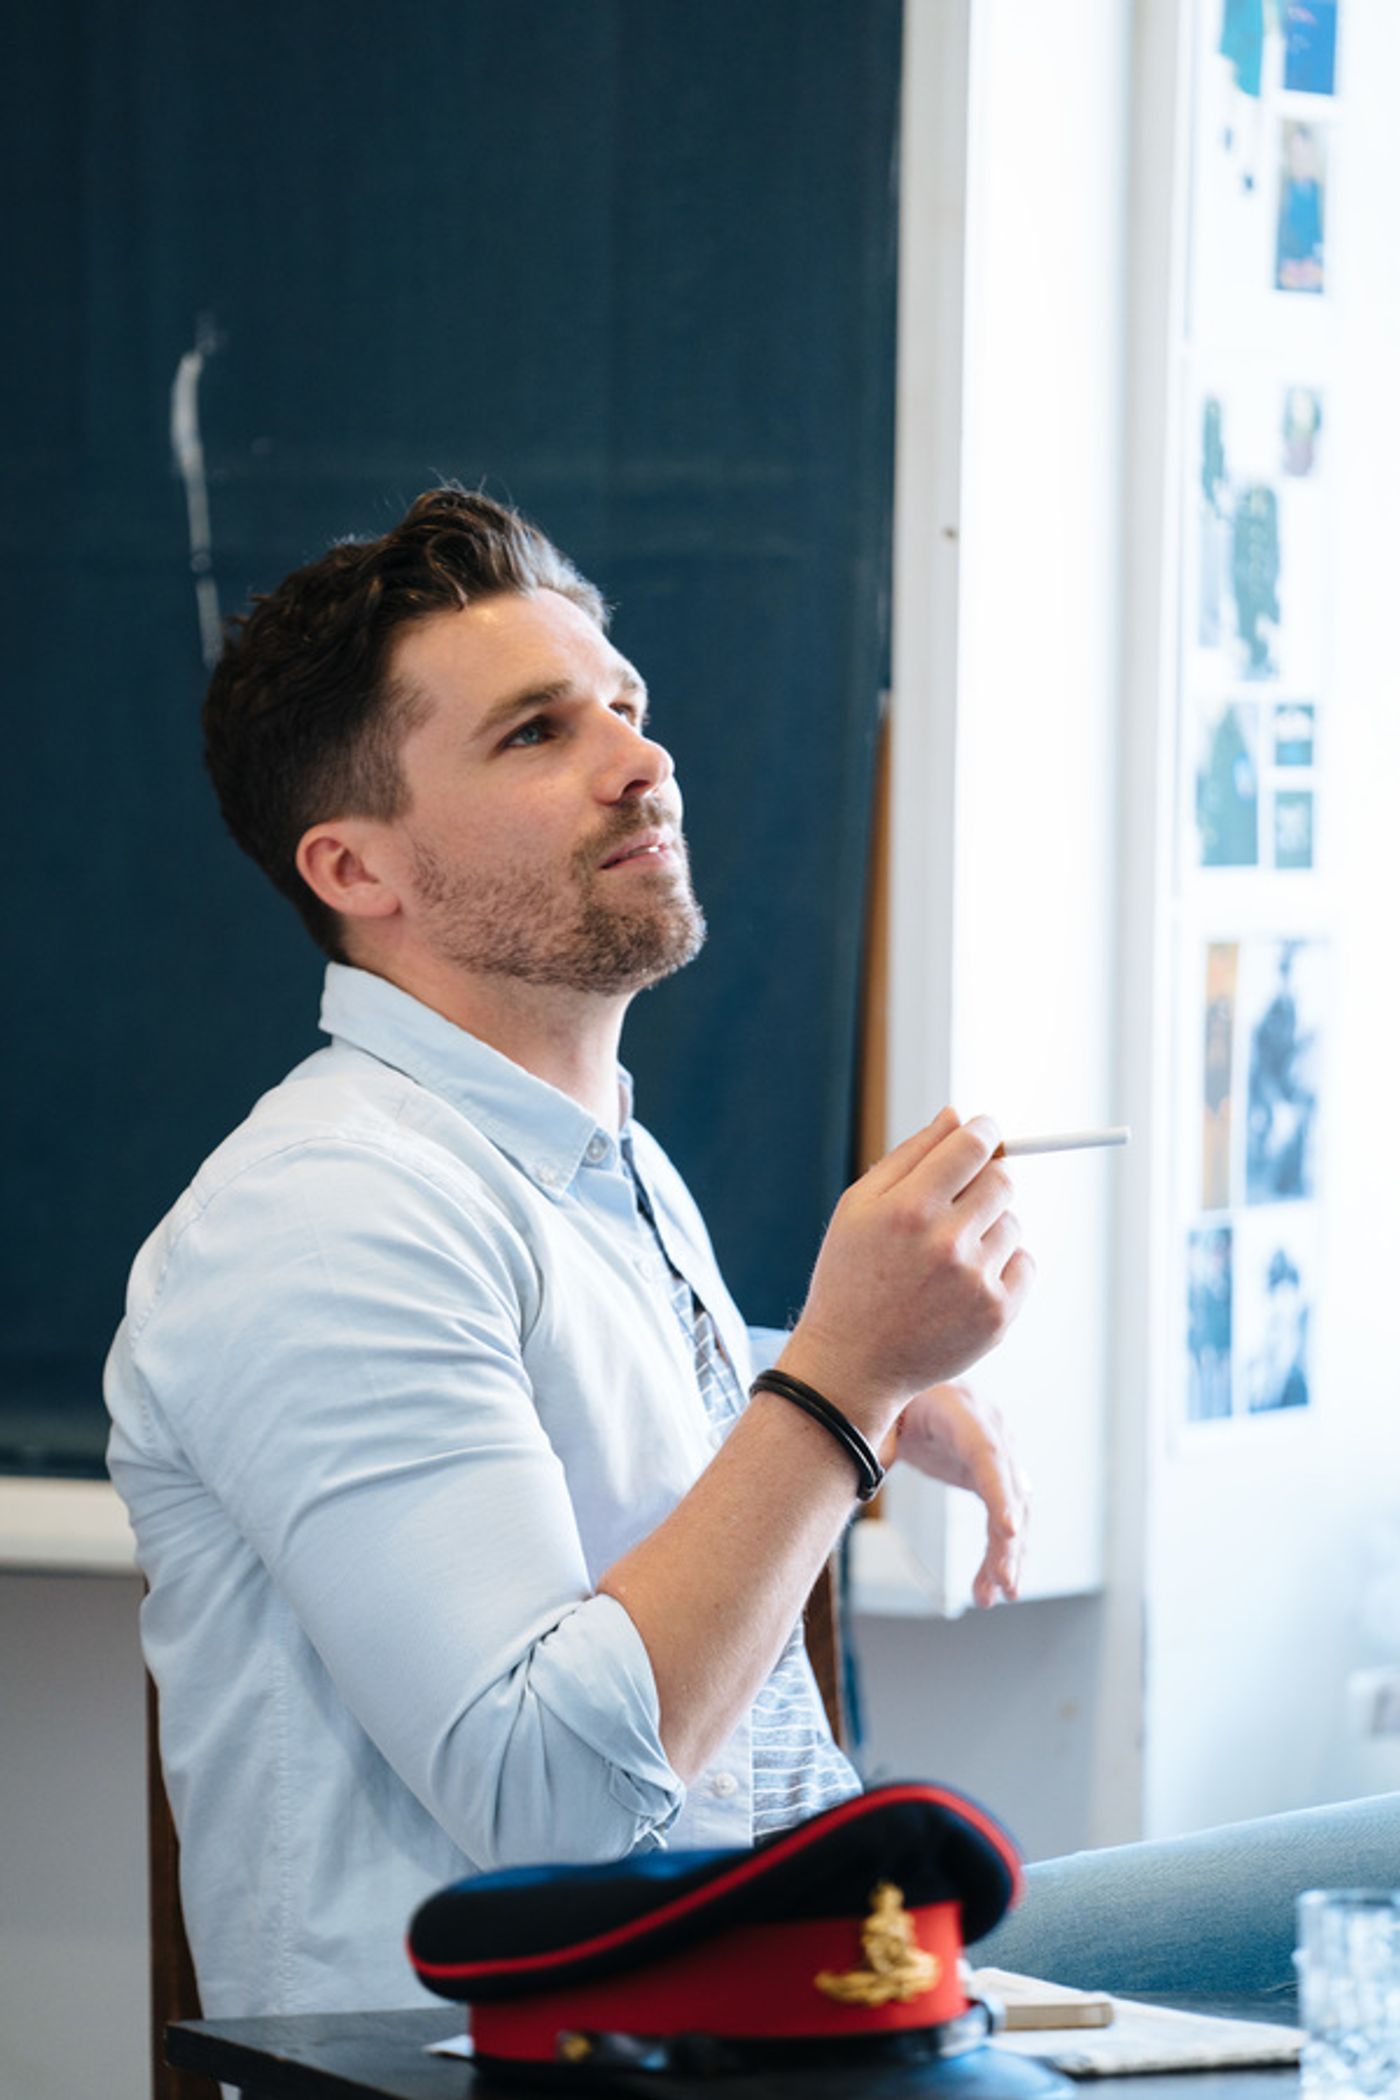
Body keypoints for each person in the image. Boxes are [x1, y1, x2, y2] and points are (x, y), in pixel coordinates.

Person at [105, 486, 1034, 2020]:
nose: (646, 761)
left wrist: (815, 1376)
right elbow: (558, 1808)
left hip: (777, 2009)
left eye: (627, 705)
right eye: (539, 732)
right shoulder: (322, 1219)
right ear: (355, 873)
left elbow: (559, 1403)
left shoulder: (587, 1164)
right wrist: (842, 1386)